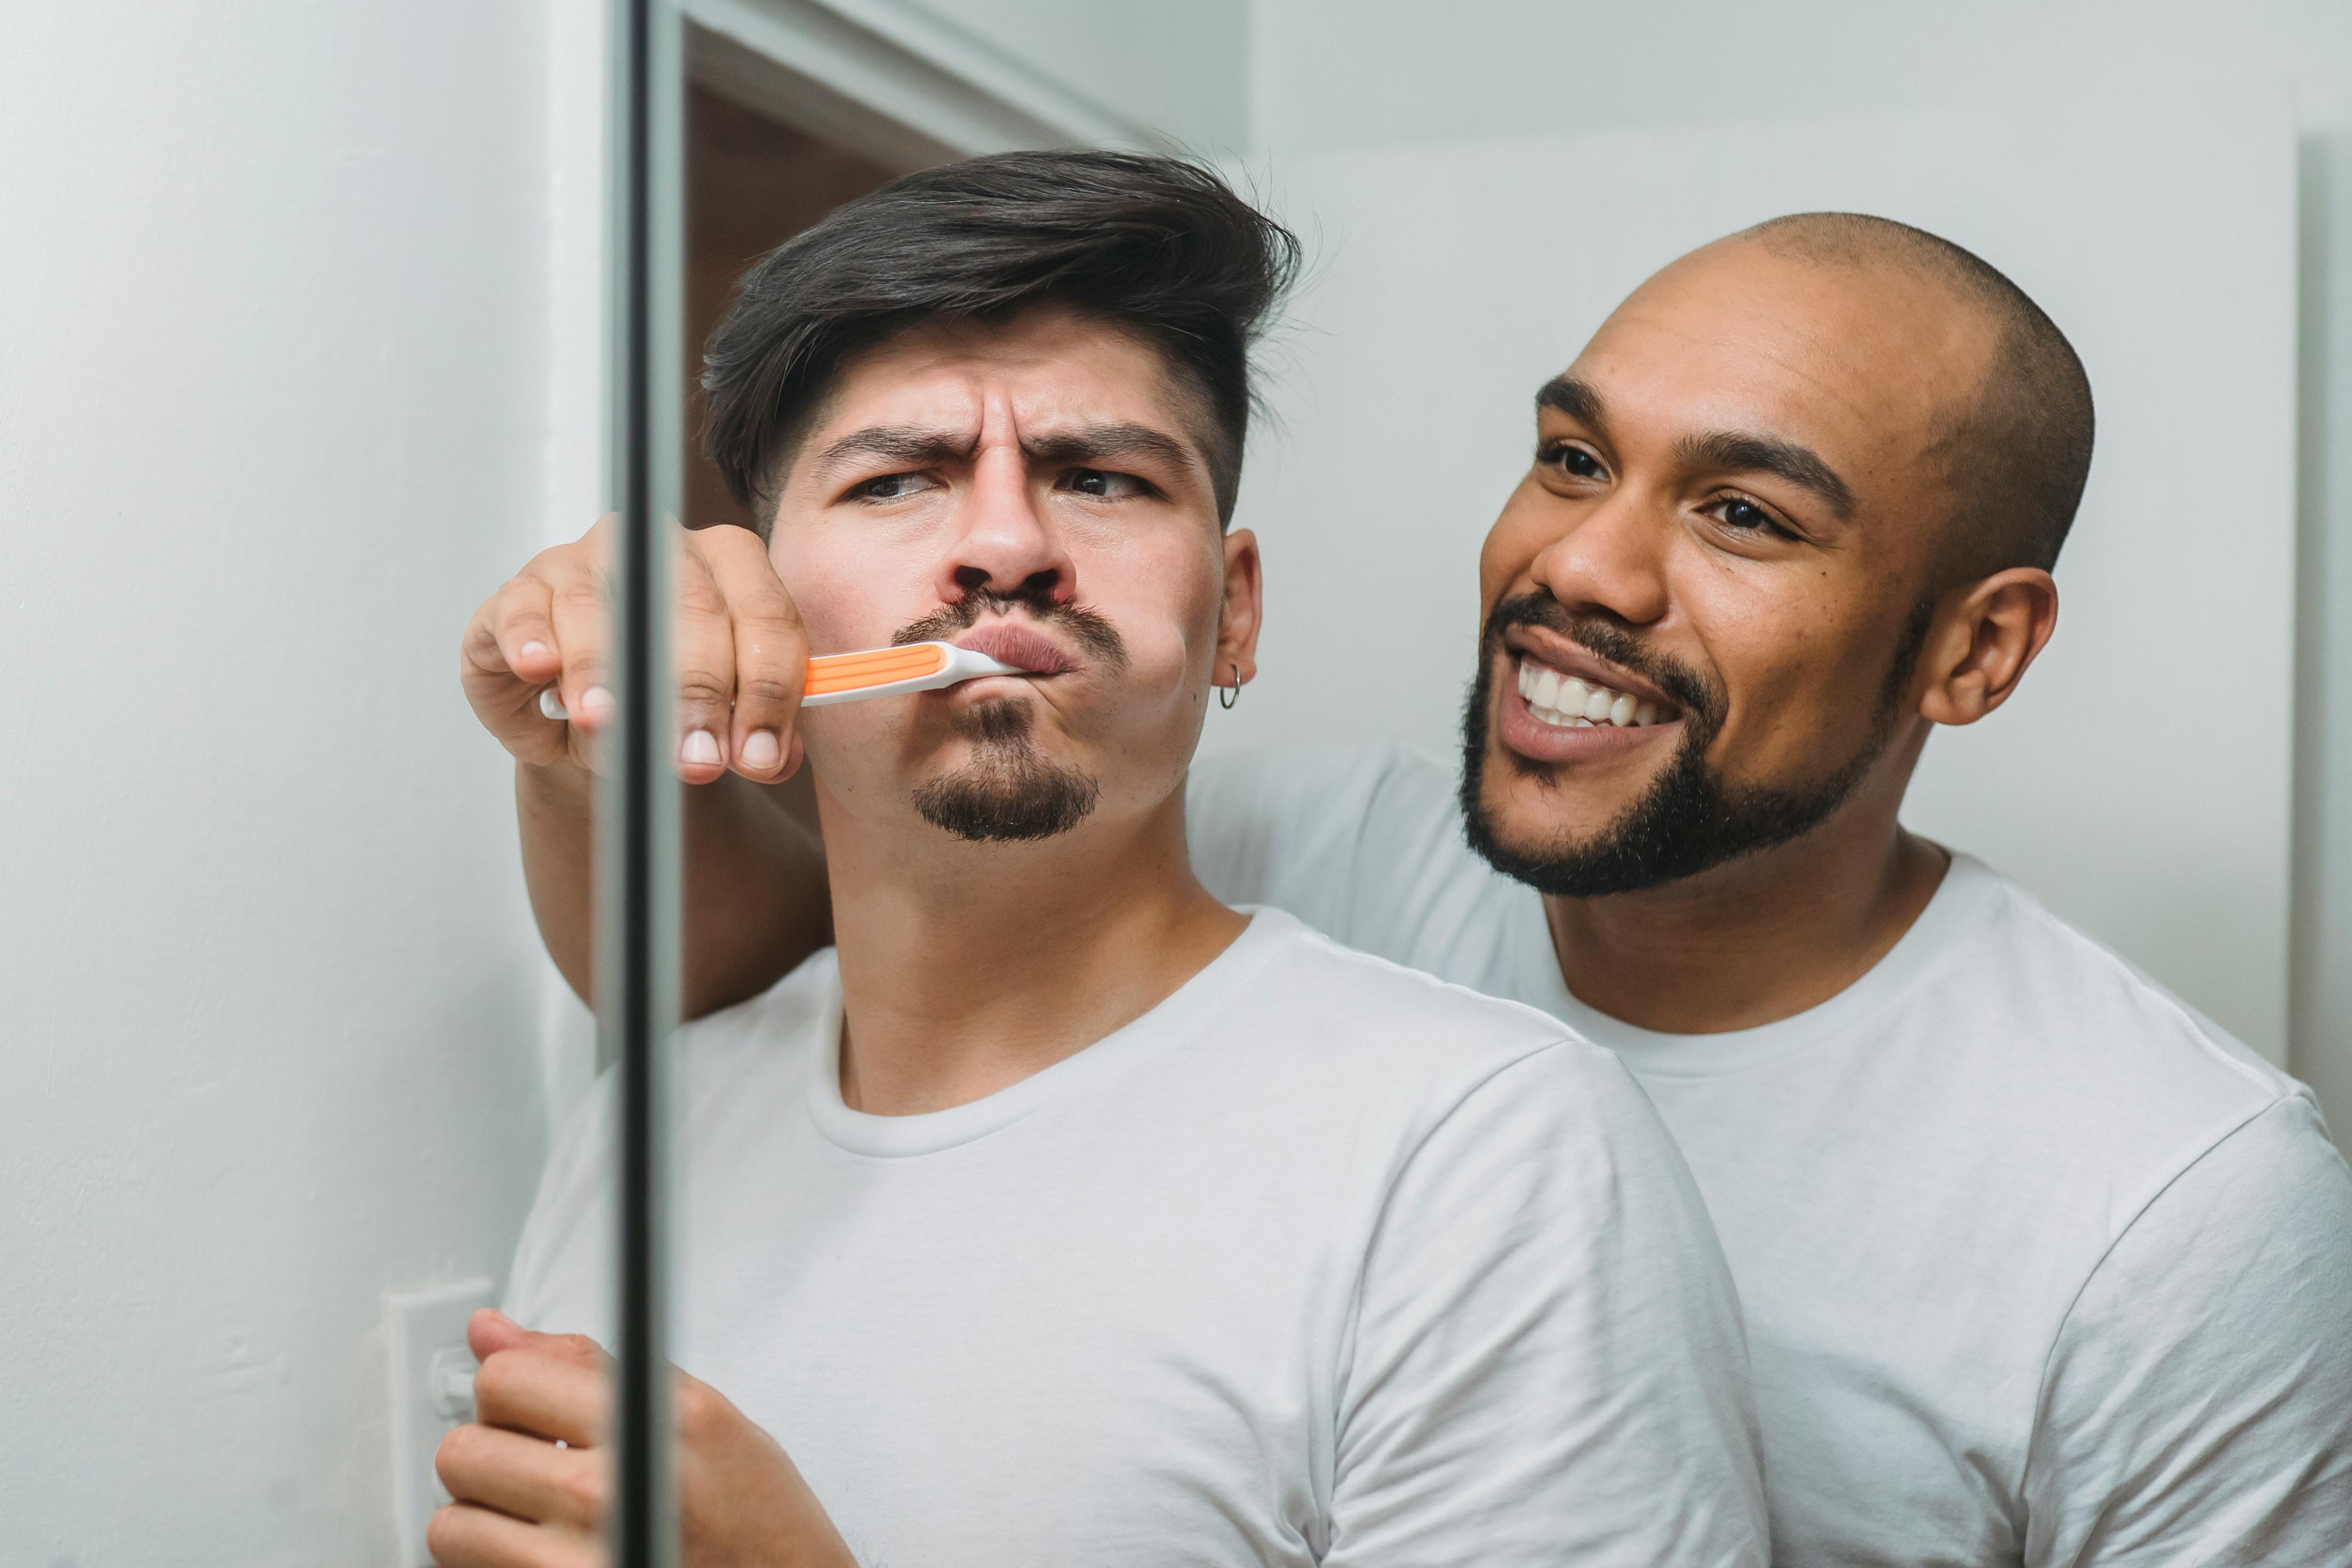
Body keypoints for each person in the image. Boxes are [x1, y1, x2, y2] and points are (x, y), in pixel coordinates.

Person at [482, 197, 2352, 1564]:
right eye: (1569, 459)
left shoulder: (2176, 1206)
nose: (1586, 572)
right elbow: (762, 994)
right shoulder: (1306, 845)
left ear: (1976, 653)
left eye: (1743, 514)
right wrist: (580, 741)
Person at [440, 151, 1767, 1568]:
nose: (1007, 543)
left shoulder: (1487, 1161)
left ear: (1235, 614)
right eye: (898, 482)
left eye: (1102, 479)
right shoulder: (655, 1120)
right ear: (758, 606)